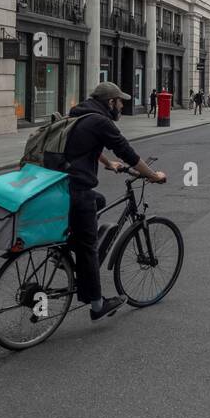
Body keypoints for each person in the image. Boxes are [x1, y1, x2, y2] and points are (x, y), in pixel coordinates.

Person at [62, 82, 167, 321]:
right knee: (88, 247)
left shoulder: (79, 113)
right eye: (120, 102)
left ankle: (68, 250)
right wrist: (152, 175)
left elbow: (85, 145)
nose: (122, 106)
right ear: (110, 102)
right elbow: (126, 151)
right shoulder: (101, 121)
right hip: (76, 187)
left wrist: (108, 164)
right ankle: (98, 305)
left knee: (99, 201)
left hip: (60, 183)